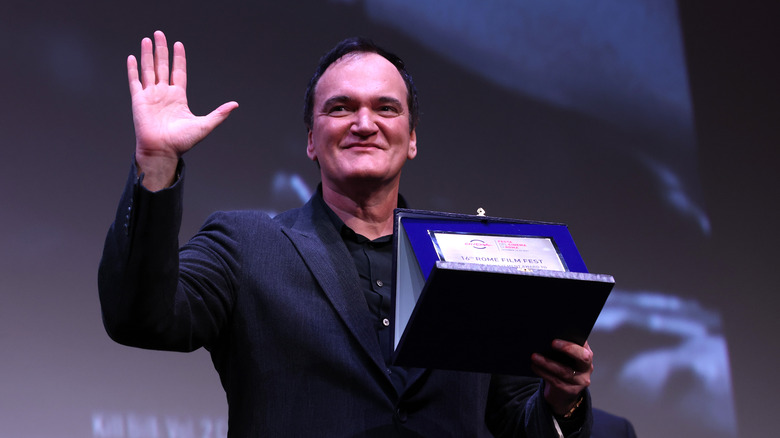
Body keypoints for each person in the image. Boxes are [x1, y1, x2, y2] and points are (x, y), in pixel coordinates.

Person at [99, 30, 595, 437]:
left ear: (413, 138)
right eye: (340, 108)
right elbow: (140, 317)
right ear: (312, 141)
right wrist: (158, 162)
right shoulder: (246, 245)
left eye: (386, 108)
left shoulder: (474, 260)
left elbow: (515, 425)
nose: (364, 123)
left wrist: (562, 400)